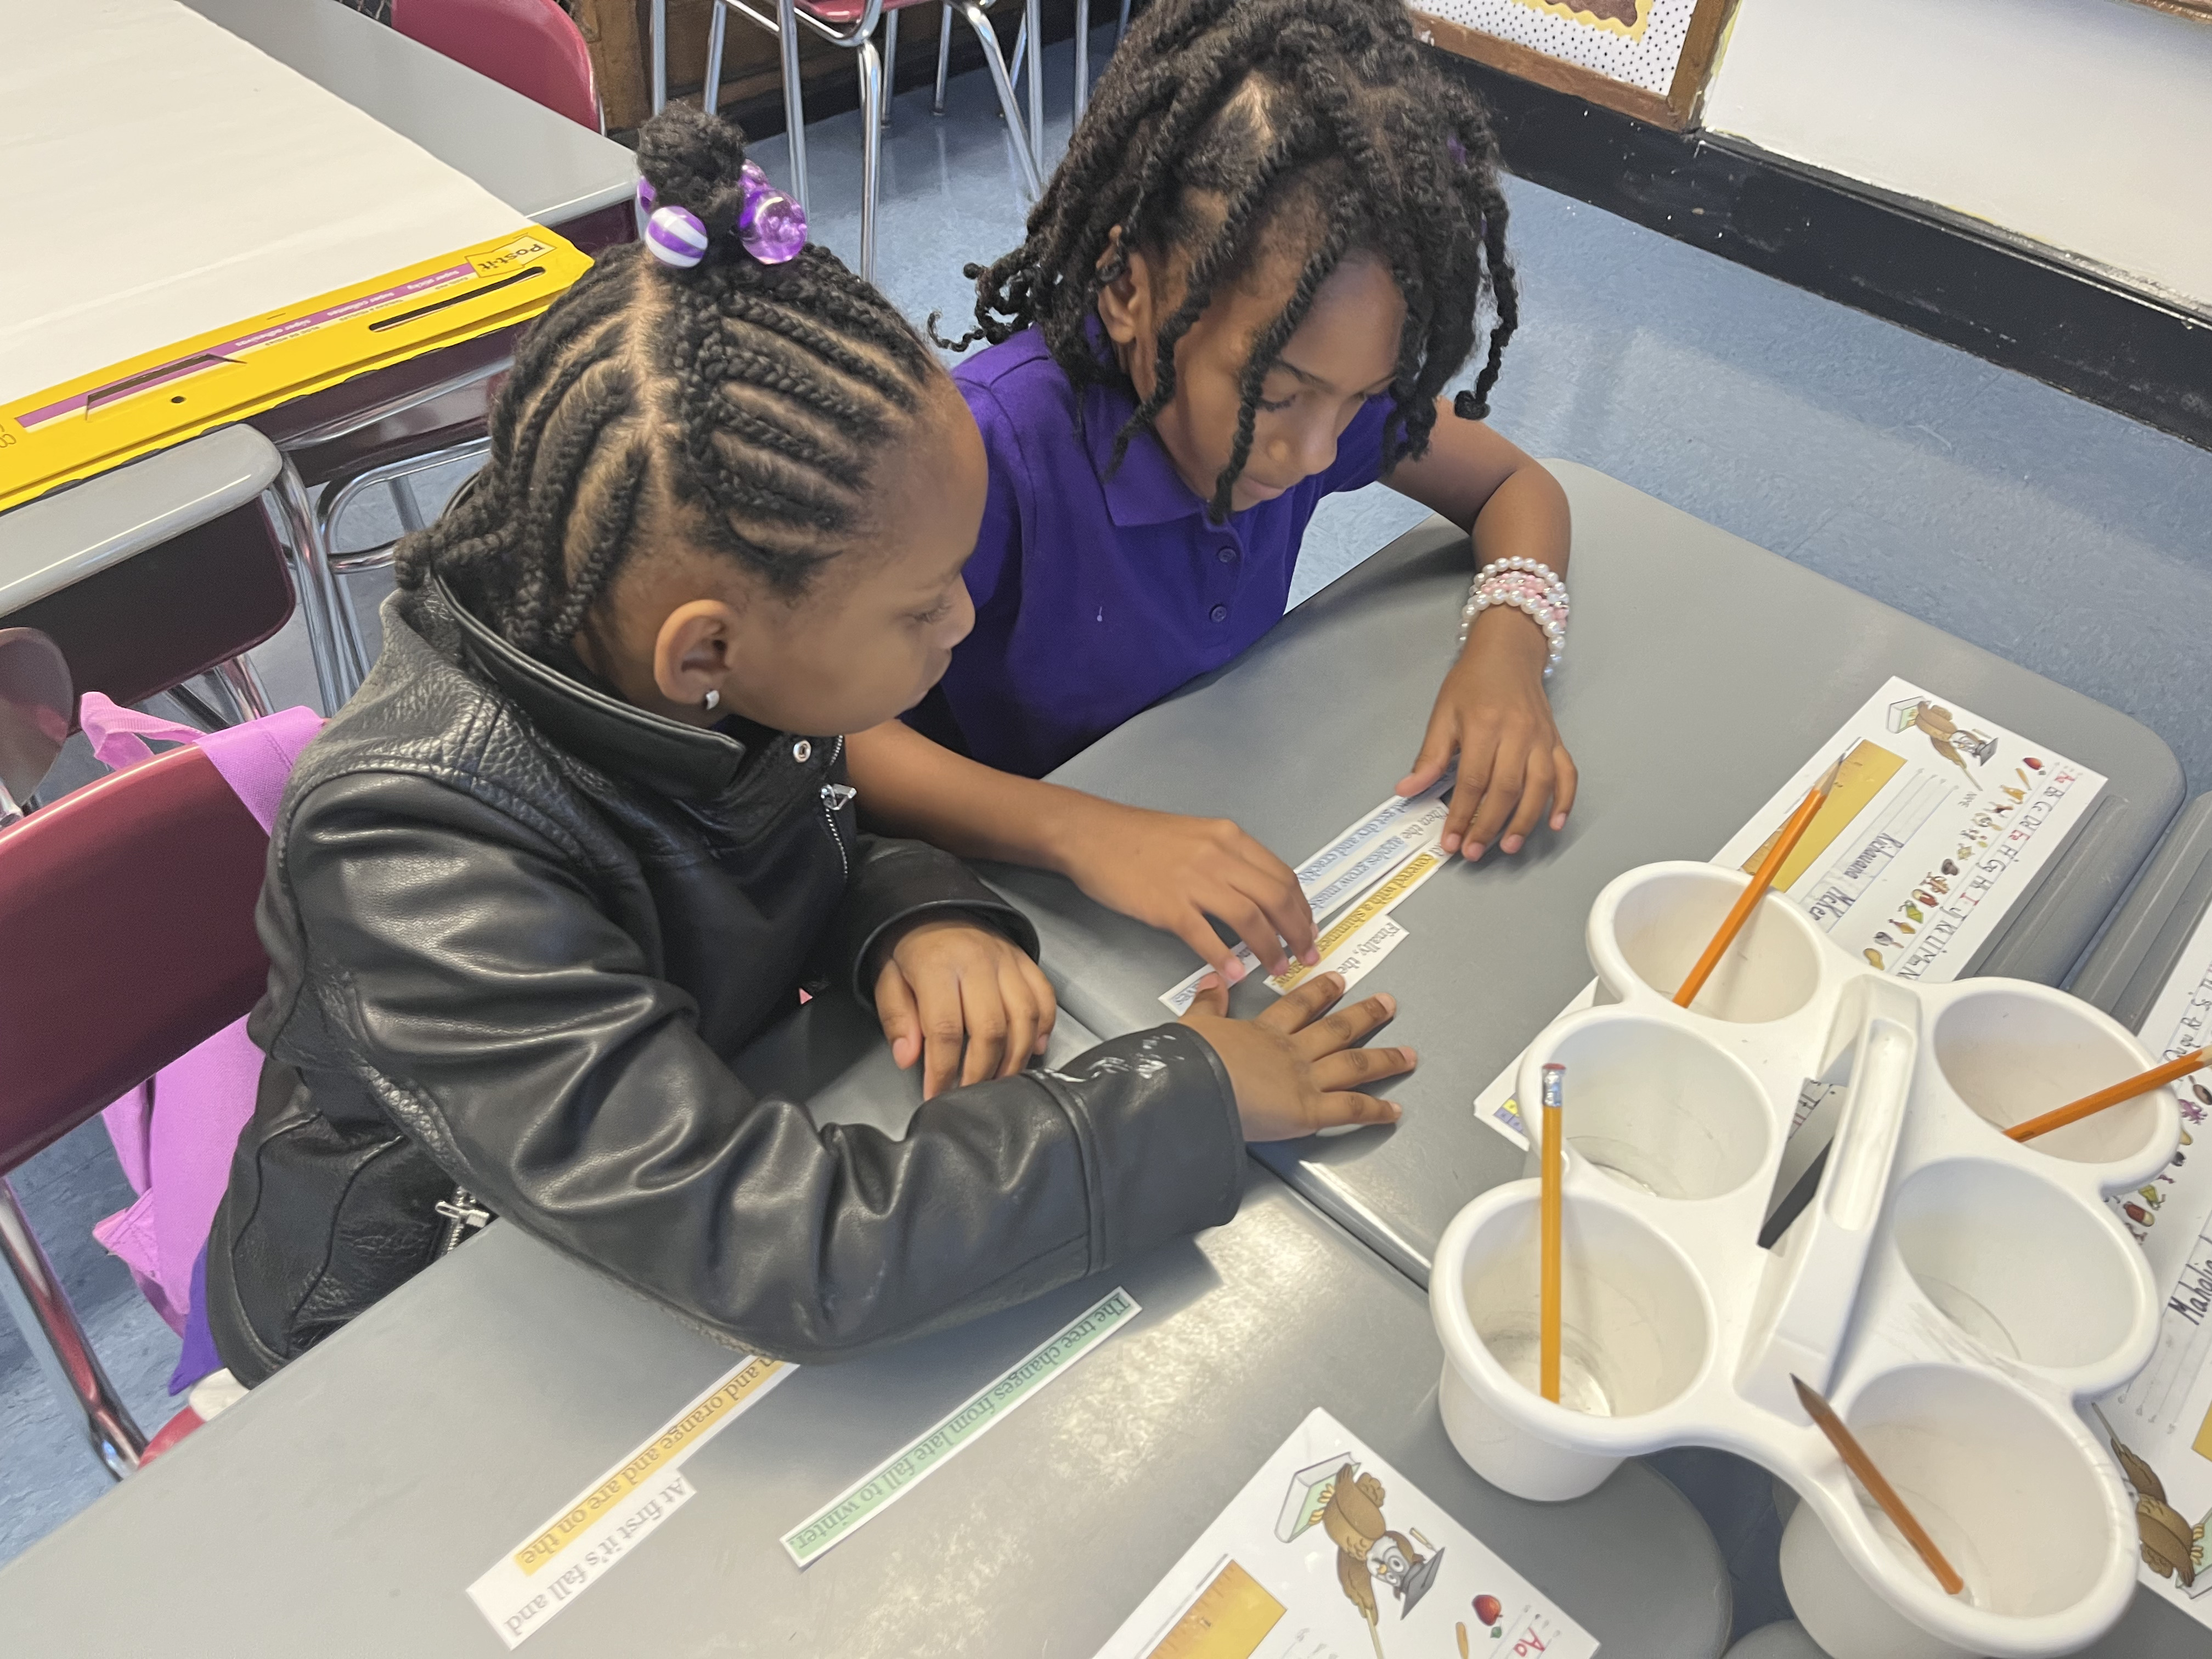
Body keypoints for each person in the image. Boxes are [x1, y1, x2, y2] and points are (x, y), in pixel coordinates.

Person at [203, 107, 1413, 1385]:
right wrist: (1186, 1100)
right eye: (922, 604)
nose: (963, 617)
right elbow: (790, 1246)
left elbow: (808, 811)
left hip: (642, 1179)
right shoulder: (408, 844)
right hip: (407, 1322)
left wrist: (913, 909)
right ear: (707, 656)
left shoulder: (673, 630)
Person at [845, 0, 1575, 990]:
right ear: (1126, 289)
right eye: (1277, 395)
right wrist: (1081, 831)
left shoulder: (1314, 399)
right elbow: (833, 734)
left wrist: (1509, 646)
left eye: (1360, 398)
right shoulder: (988, 453)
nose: (1320, 450)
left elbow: (1515, 484)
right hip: (996, 885)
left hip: (1208, 792)